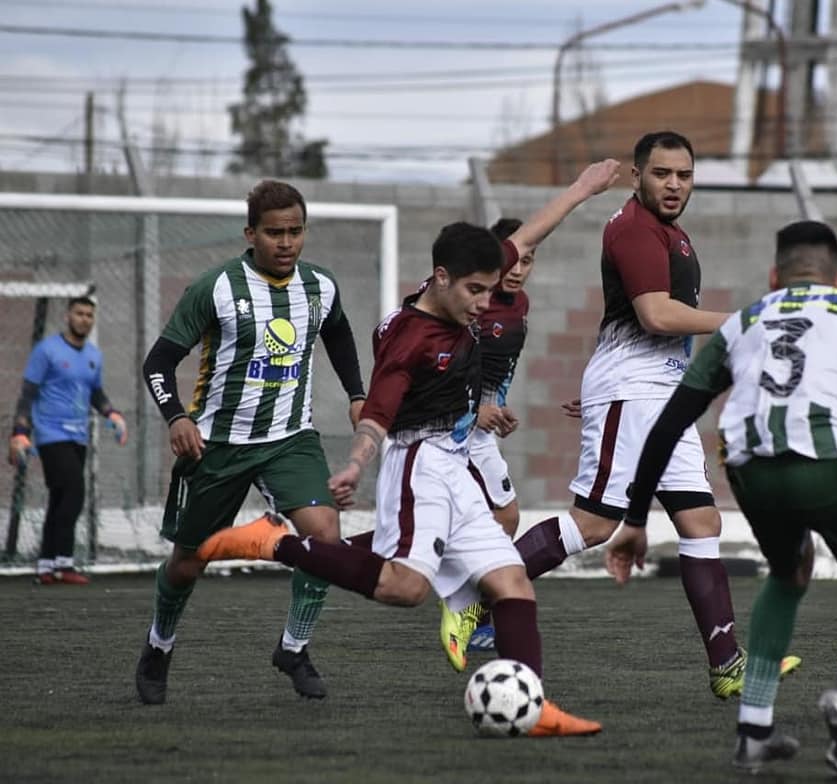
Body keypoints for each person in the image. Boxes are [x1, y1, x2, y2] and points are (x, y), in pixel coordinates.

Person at [196, 159, 622, 735]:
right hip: (417, 462)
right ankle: (277, 543)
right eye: (475, 291)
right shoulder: (411, 339)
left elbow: (523, 239)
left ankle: (535, 706)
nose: (483, 303)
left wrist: (580, 189)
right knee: (405, 588)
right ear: (442, 278)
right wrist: (354, 464)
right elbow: (379, 411)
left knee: (512, 580)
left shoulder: (452, 292)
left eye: (490, 289)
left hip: (455, 458)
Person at [605, 220, 837, 777]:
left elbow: (673, 418)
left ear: (774, 276)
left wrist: (634, 517)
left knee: (788, 567)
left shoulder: (745, 320)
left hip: (748, 468)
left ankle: (754, 729)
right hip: (825, 461)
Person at [495, 130, 798, 698]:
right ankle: (477, 592)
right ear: (638, 176)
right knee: (594, 525)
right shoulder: (633, 227)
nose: (675, 184)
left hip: (657, 394)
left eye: (684, 174)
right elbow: (656, 316)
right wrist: (744, 320)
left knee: (701, 522)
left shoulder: (671, 235)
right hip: (635, 394)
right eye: (662, 173)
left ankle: (728, 665)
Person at [134, 180, 367, 705]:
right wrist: (176, 417)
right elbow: (158, 363)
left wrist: (357, 394)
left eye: (295, 231)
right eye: (274, 233)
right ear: (250, 233)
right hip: (217, 443)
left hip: (290, 439)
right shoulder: (215, 287)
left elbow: (338, 332)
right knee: (189, 562)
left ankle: (294, 647)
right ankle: (159, 644)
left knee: (325, 537)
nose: (286, 243)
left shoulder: (320, 286)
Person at [437, 216, 533, 664]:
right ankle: (466, 605)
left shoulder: (519, 305)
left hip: (481, 429)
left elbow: (494, 371)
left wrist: (497, 408)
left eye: (528, 260)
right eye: (513, 259)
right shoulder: (470, 302)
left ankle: (470, 605)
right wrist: (476, 411)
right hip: (453, 428)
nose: (518, 269)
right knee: (496, 518)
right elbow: (448, 367)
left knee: (504, 519)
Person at [8, 295, 128, 585]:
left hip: (79, 437)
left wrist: (112, 414)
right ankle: (64, 562)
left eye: (89, 315)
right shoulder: (46, 351)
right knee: (74, 491)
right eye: (79, 313)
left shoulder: (93, 356)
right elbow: (28, 395)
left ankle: (47, 565)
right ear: (67, 316)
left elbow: (96, 394)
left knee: (60, 497)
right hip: (51, 434)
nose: (84, 319)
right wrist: (20, 433)